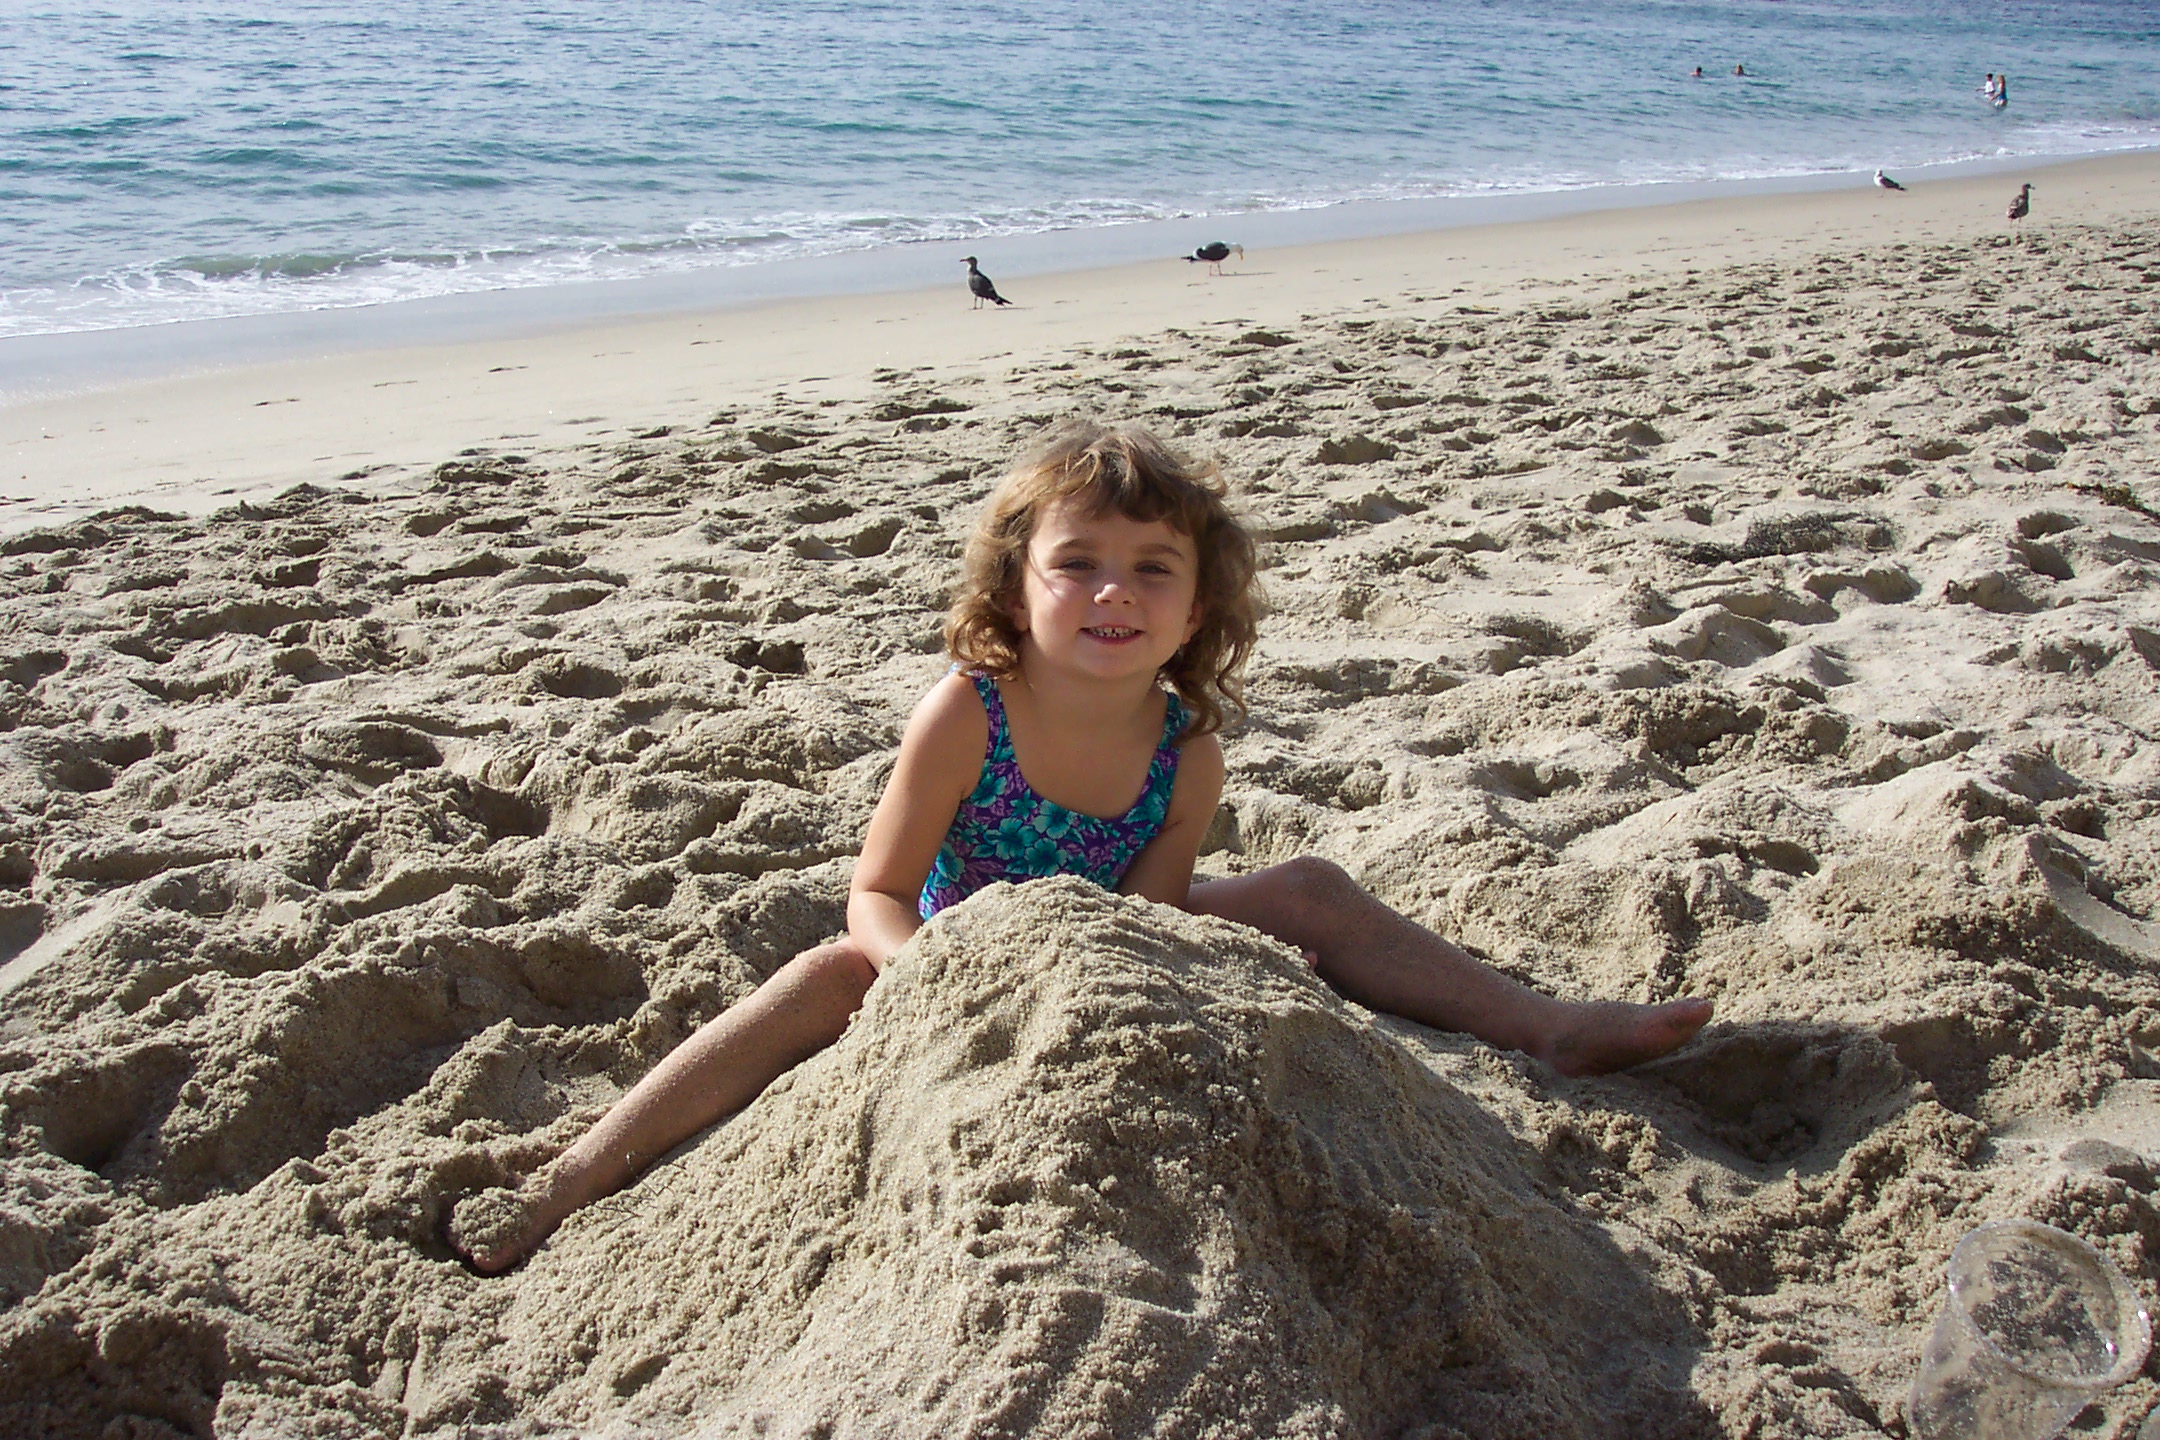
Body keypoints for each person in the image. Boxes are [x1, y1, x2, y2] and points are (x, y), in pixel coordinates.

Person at [449, 422, 1715, 1274]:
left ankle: (1540, 1024)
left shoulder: (1185, 749)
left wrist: (1133, 967)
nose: (1116, 592)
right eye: (1079, 565)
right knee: (816, 979)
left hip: (1109, 937)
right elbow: (877, 890)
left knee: (1308, 888)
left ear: (1199, 608)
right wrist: (928, 973)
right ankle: (572, 1175)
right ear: (1013, 591)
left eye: (1153, 570)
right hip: (945, 943)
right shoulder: (970, 710)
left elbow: (1153, 916)